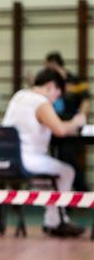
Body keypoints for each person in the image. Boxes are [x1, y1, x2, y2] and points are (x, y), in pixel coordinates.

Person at [2, 68, 86, 237]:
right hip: (27, 159)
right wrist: (77, 121)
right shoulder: (40, 101)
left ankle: (55, 219)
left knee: (48, 180)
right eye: (57, 94)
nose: (56, 100)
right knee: (67, 171)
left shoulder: (19, 95)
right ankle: (55, 221)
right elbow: (60, 130)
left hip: (5, 158)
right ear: (50, 86)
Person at [45, 51, 90, 191]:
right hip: (54, 124)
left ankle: (82, 191)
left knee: (69, 158)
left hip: (71, 124)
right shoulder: (49, 81)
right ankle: (64, 197)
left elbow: (86, 100)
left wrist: (81, 118)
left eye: (48, 66)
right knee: (58, 159)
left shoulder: (75, 80)